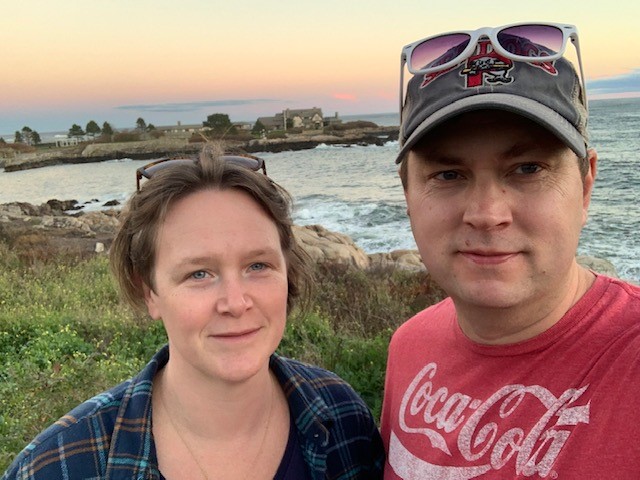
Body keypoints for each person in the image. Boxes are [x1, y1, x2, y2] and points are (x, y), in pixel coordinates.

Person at [3, 144, 384, 480]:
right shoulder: (58, 466)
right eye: (199, 273)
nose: (235, 303)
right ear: (149, 291)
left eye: (258, 266)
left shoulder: (343, 418)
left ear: (288, 272)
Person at [380, 22, 640, 479]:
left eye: (527, 167)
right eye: (448, 175)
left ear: (585, 186)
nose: (486, 214)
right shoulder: (409, 347)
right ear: (407, 196)